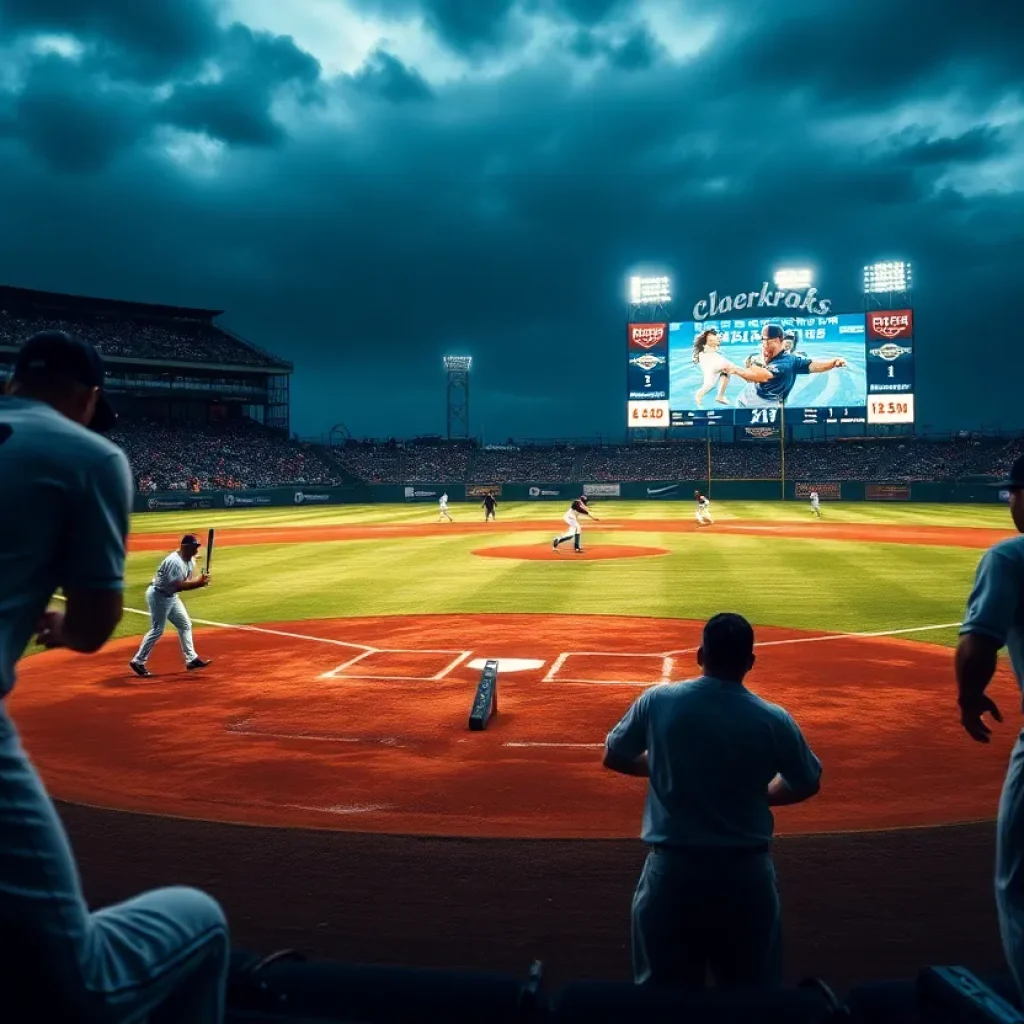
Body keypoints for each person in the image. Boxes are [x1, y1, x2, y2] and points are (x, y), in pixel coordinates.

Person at [0, 330, 229, 1020]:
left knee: (176, 632)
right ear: (91, 395)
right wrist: (57, 626)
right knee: (90, 978)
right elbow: (94, 623)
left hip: (169, 601)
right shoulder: (89, 454)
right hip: (151, 606)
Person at [604, 612, 822, 988]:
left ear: (700, 655)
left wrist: (671, 770)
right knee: (751, 996)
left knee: (662, 1000)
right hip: (746, 876)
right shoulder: (773, 719)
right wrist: (758, 795)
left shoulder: (659, 701)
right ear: (750, 662)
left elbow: (616, 755)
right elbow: (806, 782)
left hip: (672, 874)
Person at [955, 454, 1024, 1001]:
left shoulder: (1011, 557)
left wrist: (970, 698)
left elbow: (978, 643)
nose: (1009, 502)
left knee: (1017, 885)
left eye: (1012, 493)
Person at [129, 535, 213, 678]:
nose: (196, 550)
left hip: (171, 596)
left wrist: (201, 578)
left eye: (197, 547)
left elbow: (185, 578)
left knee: (185, 624)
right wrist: (199, 583)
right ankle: (138, 661)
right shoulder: (174, 562)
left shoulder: (190, 559)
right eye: (194, 547)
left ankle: (191, 659)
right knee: (157, 630)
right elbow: (178, 585)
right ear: (185, 547)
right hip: (159, 596)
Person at [725, 323, 846, 408]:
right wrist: (833, 362)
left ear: (778, 341)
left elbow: (762, 376)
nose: (765, 344)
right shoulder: (778, 357)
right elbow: (813, 365)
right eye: (763, 341)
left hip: (765, 404)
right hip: (746, 399)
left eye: (769, 341)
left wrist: (737, 370)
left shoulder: (786, 362)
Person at [692, 328, 731, 408]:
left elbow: (716, 344)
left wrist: (718, 339)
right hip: (708, 360)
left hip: (713, 360)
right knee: (708, 385)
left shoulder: (714, 344)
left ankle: (720, 396)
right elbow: (711, 343)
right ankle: (699, 403)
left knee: (727, 371)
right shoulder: (707, 344)